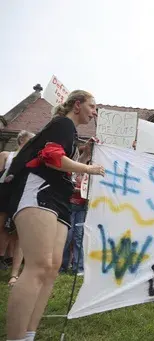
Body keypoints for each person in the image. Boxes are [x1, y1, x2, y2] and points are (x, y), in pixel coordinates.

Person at [5, 90, 106, 341]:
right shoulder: (62, 124)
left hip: (60, 199)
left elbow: (67, 160)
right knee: (38, 266)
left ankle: (29, 334)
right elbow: (52, 159)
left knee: (51, 268)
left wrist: (84, 153)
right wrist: (90, 168)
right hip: (41, 191)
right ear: (77, 104)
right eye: (92, 106)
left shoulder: (70, 132)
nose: (95, 112)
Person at [0, 130, 35, 286]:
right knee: (3, 228)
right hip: (5, 194)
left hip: (23, 196)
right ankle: (2, 257)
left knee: (19, 232)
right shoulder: (7, 154)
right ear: (21, 140)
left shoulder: (32, 159)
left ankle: (14, 270)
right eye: (30, 141)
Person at [60, 170, 88, 275]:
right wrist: (79, 190)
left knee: (78, 237)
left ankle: (79, 268)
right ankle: (62, 266)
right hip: (69, 207)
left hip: (82, 208)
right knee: (67, 236)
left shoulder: (89, 175)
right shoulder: (71, 171)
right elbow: (67, 187)